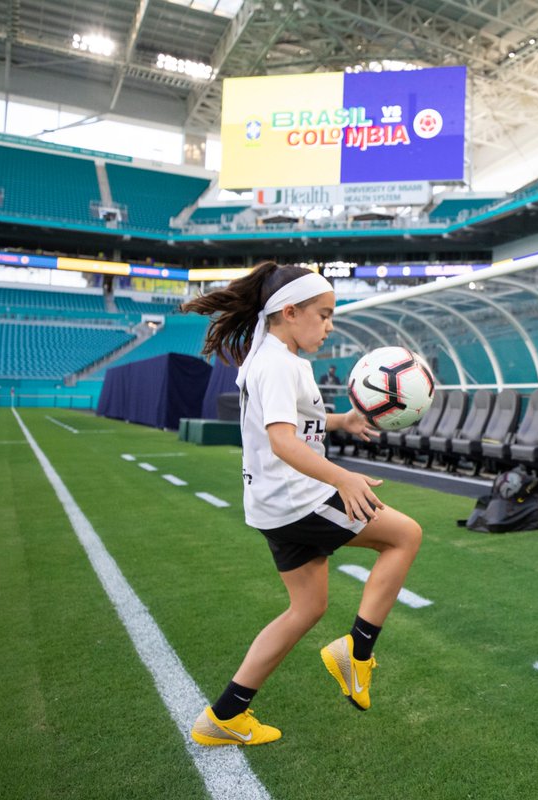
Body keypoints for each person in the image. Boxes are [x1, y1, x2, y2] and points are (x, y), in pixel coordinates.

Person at [179, 262, 423, 746]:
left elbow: (297, 424)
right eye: (325, 314)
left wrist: (342, 422)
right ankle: (357, 654)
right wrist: (344, 478)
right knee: (405, 536)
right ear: (290, 312)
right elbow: (283, 442)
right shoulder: (275, 363)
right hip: (299, 498)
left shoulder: (275, 359)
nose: (330, 326)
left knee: (306, 608)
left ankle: (224, 717)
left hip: (275, 503)